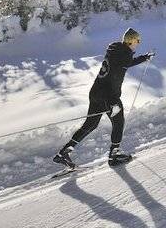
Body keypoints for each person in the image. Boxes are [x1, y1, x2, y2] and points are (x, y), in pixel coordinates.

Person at [53, 28, 153, 168]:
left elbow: (125, 64)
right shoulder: (124, 55)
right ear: (131, 41)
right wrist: (112, 102)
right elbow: (120, 71)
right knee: (118, 122)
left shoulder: (116, 51)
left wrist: (144, 58)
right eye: (137, 41)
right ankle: (114, 155)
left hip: (95, 92)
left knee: (91, 124)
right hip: (108, 95)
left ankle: (64, 152)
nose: (138, 43)